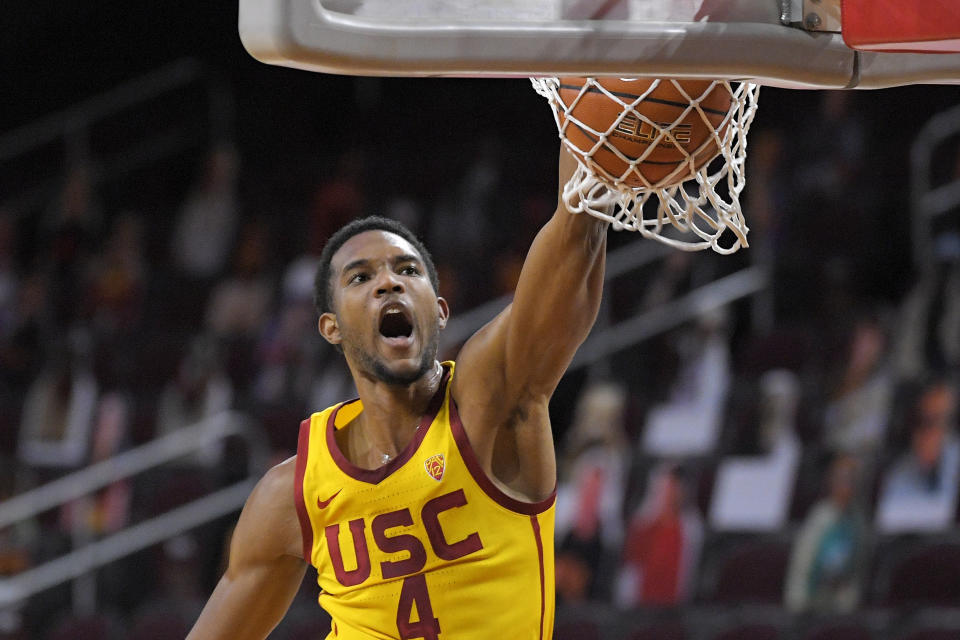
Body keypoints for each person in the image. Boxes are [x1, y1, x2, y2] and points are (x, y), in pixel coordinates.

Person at [187, 145, 609, 640]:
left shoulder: (491, 400)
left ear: (441, 309)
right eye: (361, 277)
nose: (389, 282)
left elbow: (575, 226)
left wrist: (588, 119)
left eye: (408, 271)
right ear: (331, 327)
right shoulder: (292, 493)